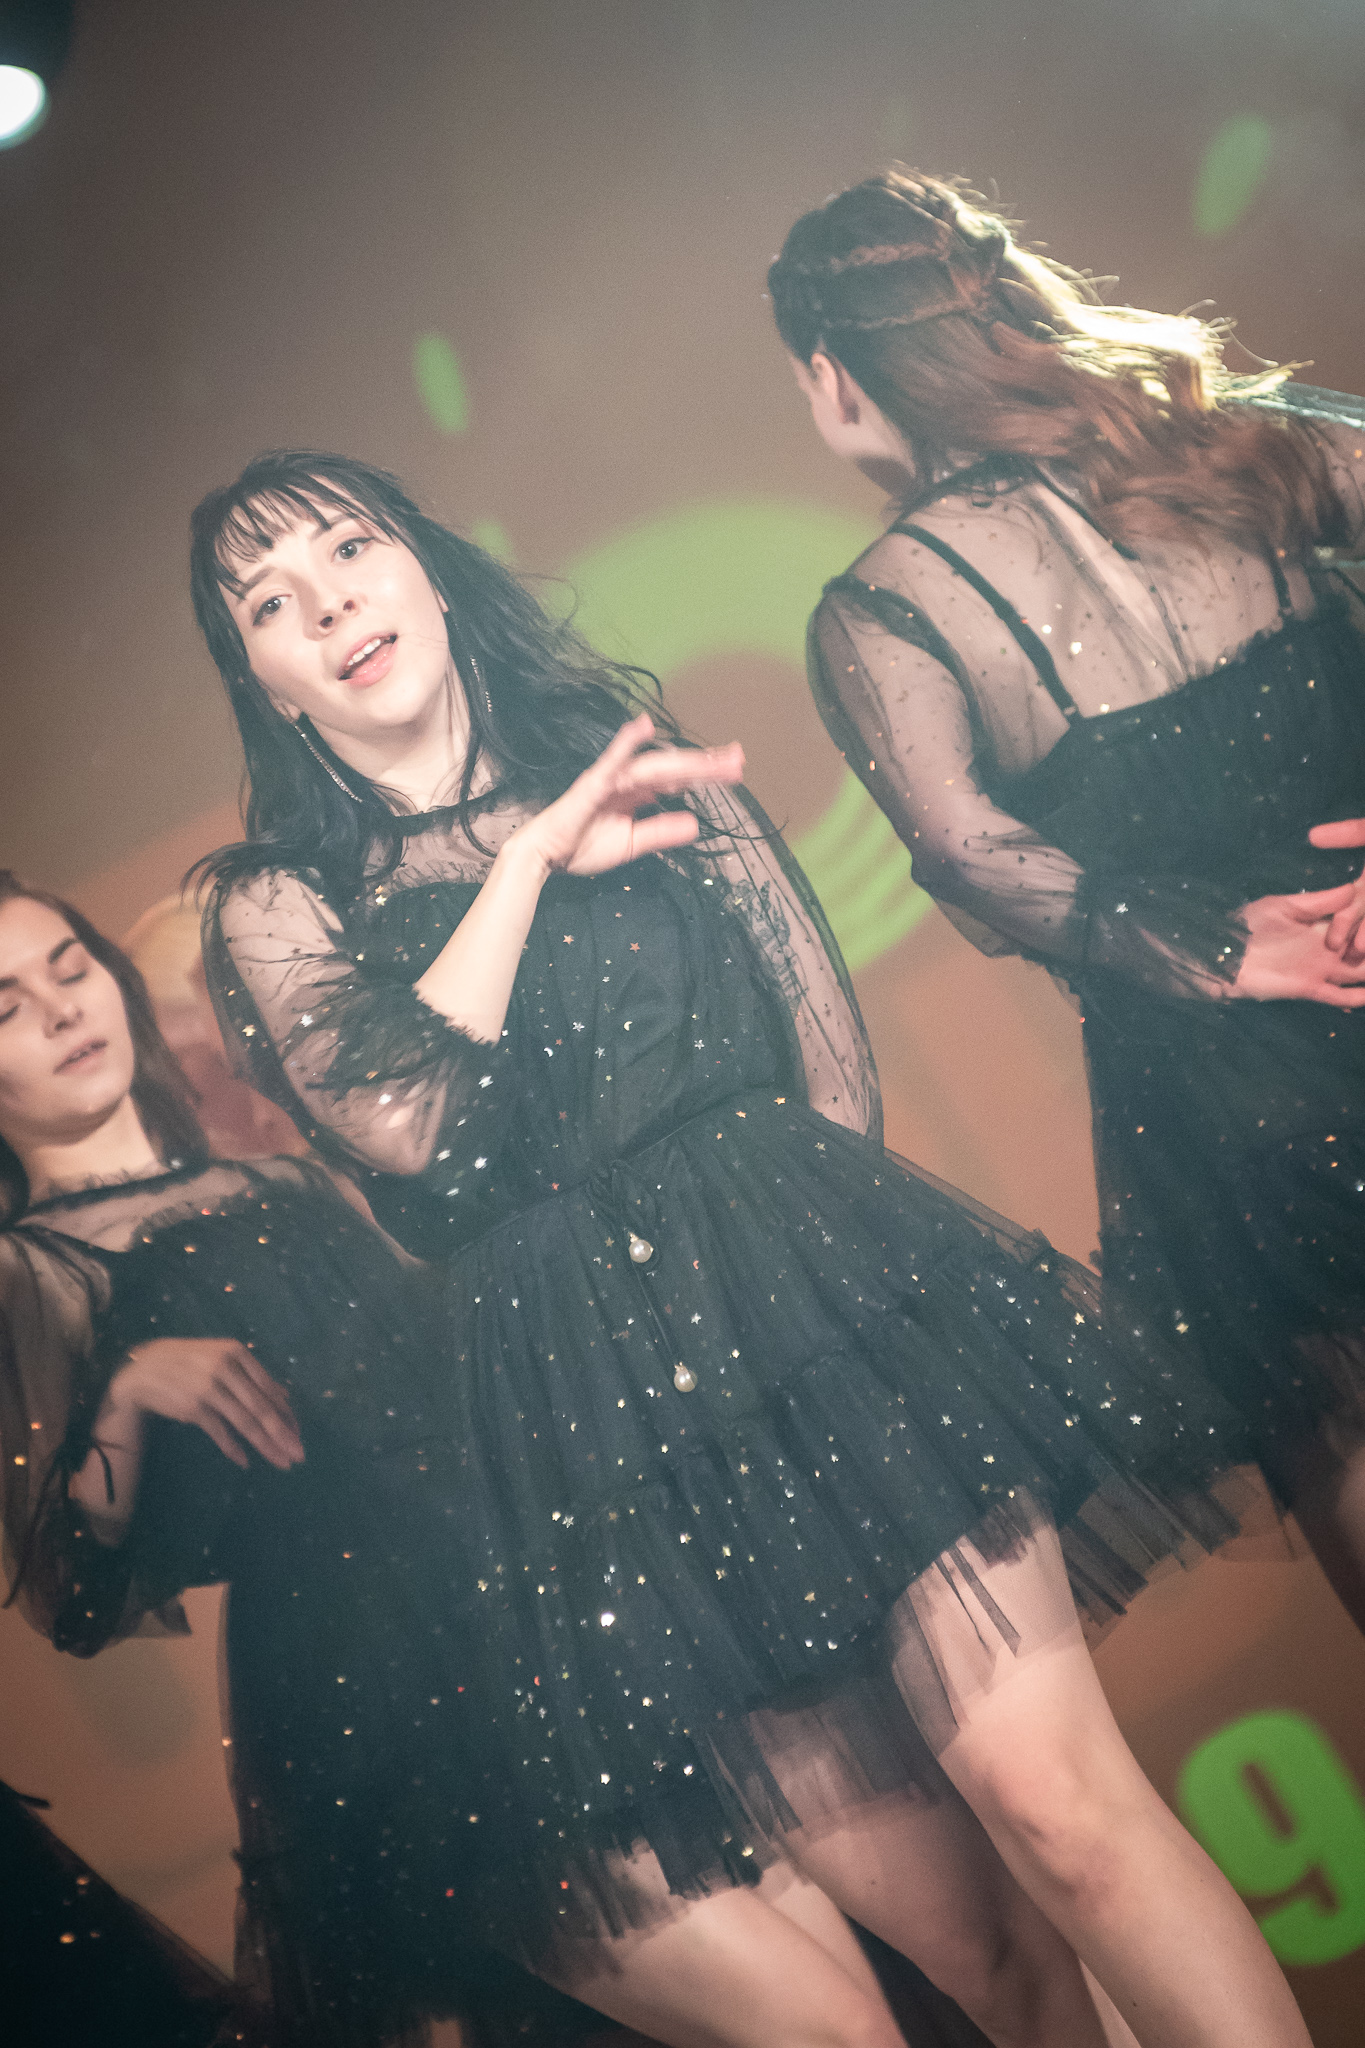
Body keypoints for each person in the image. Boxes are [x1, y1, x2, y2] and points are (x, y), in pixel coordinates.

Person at [187, 446, 1308, 2048]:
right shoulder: (277, 901)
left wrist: (828, 1323)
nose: (329, 607)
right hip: (606, 1436)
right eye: (270, 603)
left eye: (350, 551)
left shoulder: (642, 766)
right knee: (979, 1953)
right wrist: (524, 865)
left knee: (1057, 1808)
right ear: (265, 681)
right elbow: (409, 1122)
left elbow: (826, 1071)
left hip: (809, 1316)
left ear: (424, 562)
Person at [771, 167, 1365, 1643]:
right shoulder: (1248, 440)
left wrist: (1216, 947)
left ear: (833, 378)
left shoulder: (889, 604)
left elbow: (961, 845)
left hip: (1232, 1111)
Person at [0, 873, 629, 2048]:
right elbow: (70, 1583)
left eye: (70, 967)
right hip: (367, 1678)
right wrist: (128, 1391)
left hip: (520, 1601)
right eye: (5, 1006)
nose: (60, 1008)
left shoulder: (286, 1181)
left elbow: (457, 1377)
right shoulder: (29, 1270)